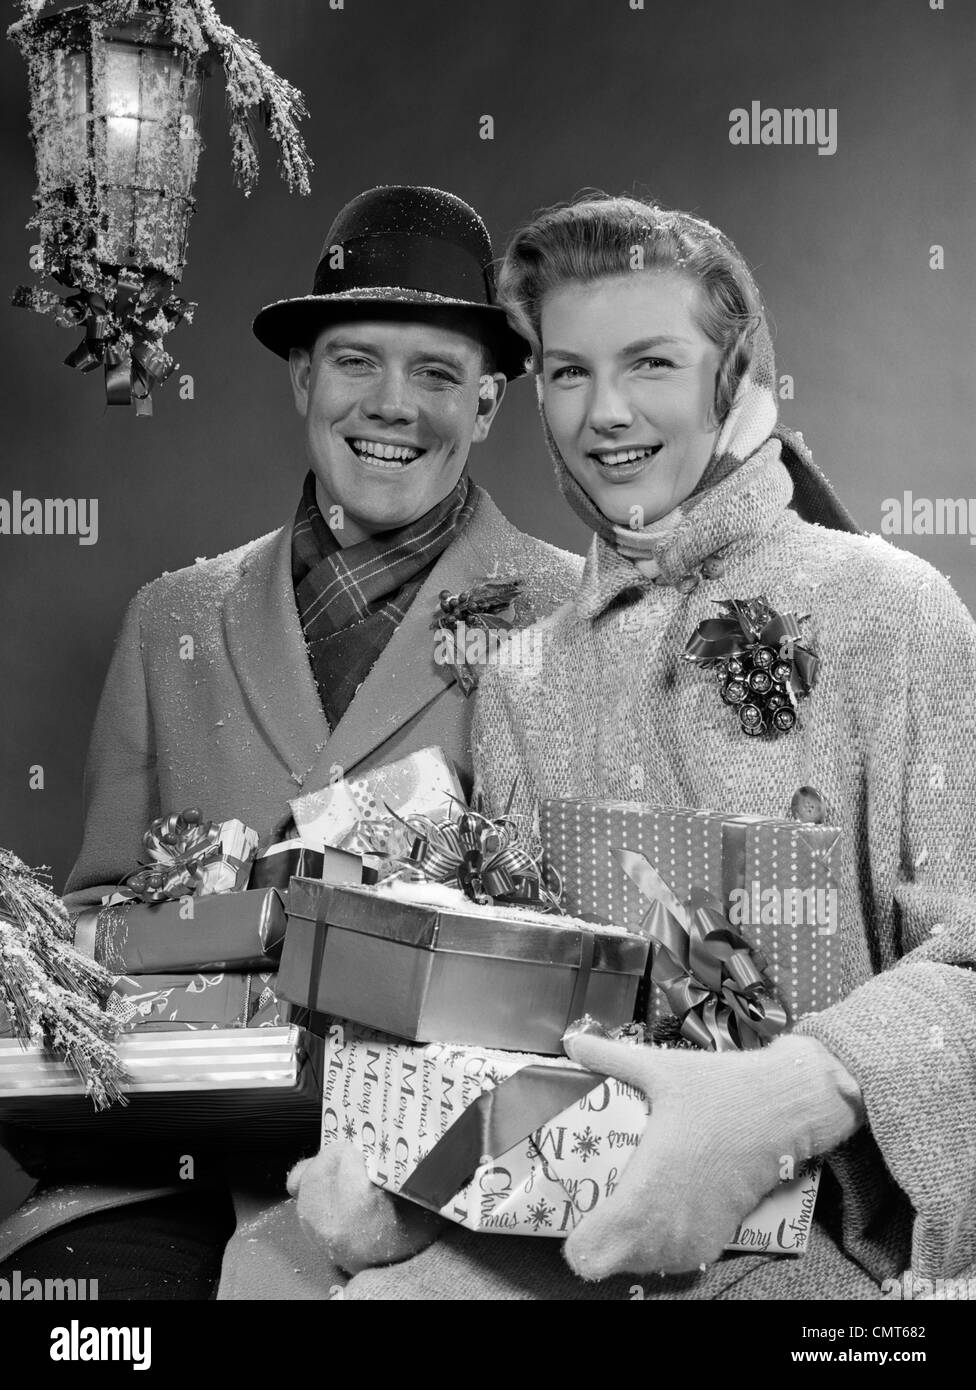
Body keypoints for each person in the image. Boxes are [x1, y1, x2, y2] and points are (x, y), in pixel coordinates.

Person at [288, 193, 976, 1301]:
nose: (605, 413)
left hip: (822, 1263)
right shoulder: (520, 676)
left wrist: (782, 1102)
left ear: (736, 376)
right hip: (560, 1236)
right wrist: (412, 1180)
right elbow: (518, 1017)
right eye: (567, 373)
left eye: (650, 363)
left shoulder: (893, 614)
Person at [0, 186, 584, 1299]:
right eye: (357, 361)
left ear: (491, 402)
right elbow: (90, 936)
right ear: (303, 378)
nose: (394, 405)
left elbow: (590, 951)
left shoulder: (572, 618)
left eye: (437, 373)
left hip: (444, 1190)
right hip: (165, 1173)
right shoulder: (172, 614)